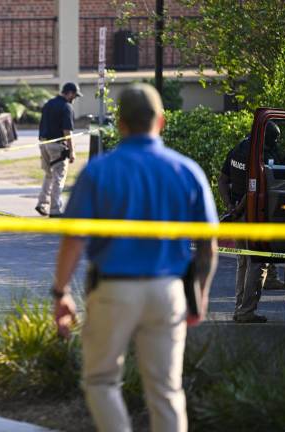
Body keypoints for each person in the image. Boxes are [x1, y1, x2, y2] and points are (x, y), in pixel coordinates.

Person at [52, 84, 218, 431]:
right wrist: (199, 295)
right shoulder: (188, 171)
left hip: (113, 291)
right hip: (168, 291)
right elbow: (208, 245)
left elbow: (73, 240)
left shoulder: (98, 171)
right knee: (166, 390)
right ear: (162, 121)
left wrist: (61, 292)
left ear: (121, 124)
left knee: (101, 381)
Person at [218, 129, 283, 324]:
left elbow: (222, 179)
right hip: (253, 214)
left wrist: (230, 206)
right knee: (257, 262)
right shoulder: (260, 154)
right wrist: (238, 209)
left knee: (243, 262)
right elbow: (253, 186)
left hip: (236, 213)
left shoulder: (237, 150)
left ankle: (240, 308)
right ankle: (246, 311)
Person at [35, 82, 82, 217]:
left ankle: (42, 203)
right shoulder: (66, 107)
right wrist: (72, 151)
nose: (74, 99)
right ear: (70, 93)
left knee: (49, 175)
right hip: (57, 147)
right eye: (75, 96)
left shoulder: (48, 104)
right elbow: (67, 131)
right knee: (58, 177)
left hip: (44, 143)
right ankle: (55, 209)